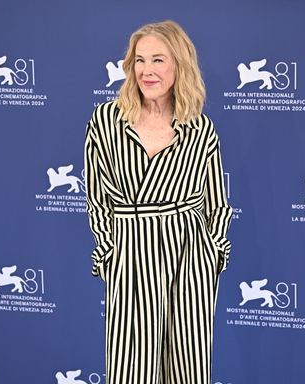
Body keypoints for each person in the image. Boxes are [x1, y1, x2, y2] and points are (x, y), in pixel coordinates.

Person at [84, 20, 232, 384]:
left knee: (187, 366)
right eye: (139, 61)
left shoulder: (200, 128)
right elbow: (96, 198)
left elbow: (216, 201)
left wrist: (212, 254)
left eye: (158, 60)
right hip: (130, 253)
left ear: (179, 65)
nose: (147, 71)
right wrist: (109, 253)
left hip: (188, 256)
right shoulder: (106, 121)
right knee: (129, 368)